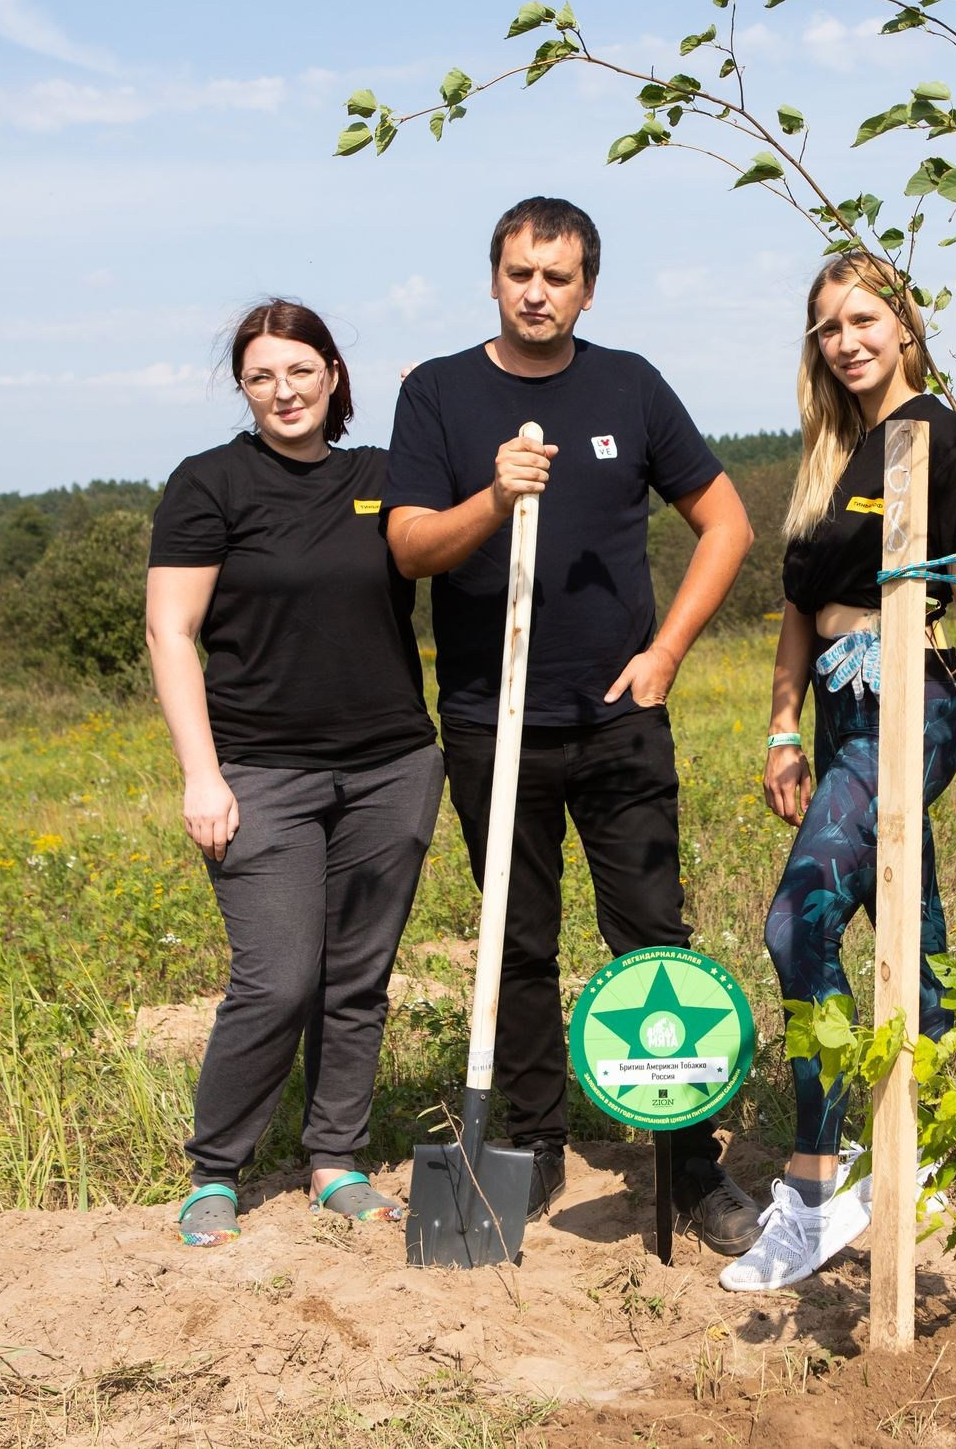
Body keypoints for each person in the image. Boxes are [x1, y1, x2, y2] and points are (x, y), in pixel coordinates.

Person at [382, 196, 763, 1253]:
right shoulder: (438, 394)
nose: (536, 292)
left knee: (654, 940)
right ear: (493, 279)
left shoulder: (629, 385)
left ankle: (689, 1163)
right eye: (519, 273)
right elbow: (410, 545)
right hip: (490, 719)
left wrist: (665, 654)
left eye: (557, 276)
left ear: (588, 289)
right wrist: (493, 499)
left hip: (617, 719)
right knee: (518, 941)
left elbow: (727, 523)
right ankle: (535, 1140)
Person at [722, 251, 956, 1293]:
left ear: (905, 326)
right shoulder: (831, 454)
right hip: (840, 709)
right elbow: (800, 609)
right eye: (828, 327)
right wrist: (781, 728)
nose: (846, 341)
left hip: (911, 700)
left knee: (795, 924)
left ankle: (813, 1179)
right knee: (907, 933)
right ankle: (930, 1148)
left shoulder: (934, 432)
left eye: (863, 319)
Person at [145, 298, 446, 1245]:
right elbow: (170, 631)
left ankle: (335, 1160)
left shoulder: (382, 477)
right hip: (261, 773)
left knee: (356, 979)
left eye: (301, 370)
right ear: (243, 387)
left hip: (392, 767)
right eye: (262, 376)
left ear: (333, 375)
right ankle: (215, 1170)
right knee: (276, 981)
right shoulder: (209, 484)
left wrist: (439, 404)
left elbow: (476, 499)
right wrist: (202, 775)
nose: (284, 391)